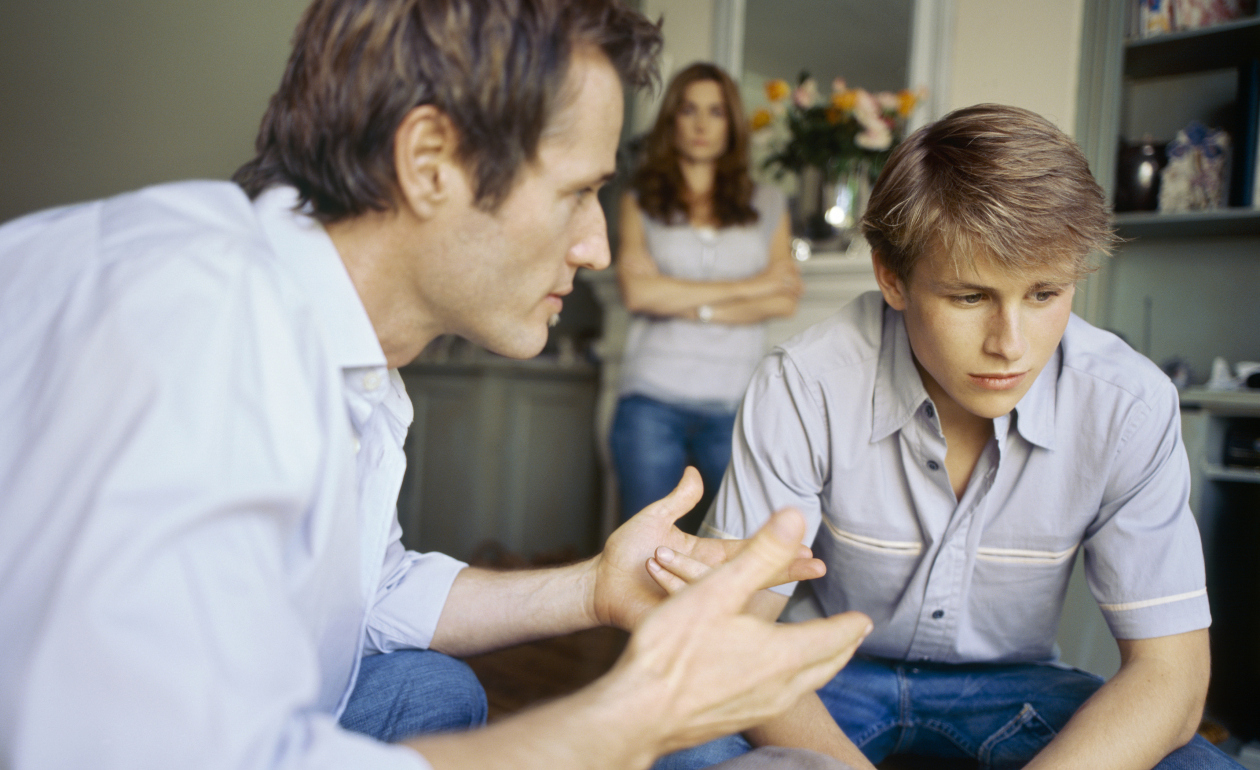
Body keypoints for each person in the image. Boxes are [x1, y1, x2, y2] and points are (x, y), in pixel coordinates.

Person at [0, 2, 877, 768]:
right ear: (429, 161)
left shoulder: (355, 355)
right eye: (578, 192)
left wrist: (596, 588)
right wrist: (636, 714)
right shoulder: (193, 325)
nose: (596, 247)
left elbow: (366, 592)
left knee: (430, 690)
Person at [650, 104, 1245, 770]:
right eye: (969, 297)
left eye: (1045, 294)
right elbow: (733, 632)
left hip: (1016, 692)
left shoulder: (1129, 405)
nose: (1010, 345)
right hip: (820, 676)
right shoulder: (806, 383)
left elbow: (1172, 674)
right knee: (685, 749)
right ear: (891, 278)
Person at [611, 62, 801, 532]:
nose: (700, 124)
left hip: (732, 404)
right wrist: (748, 286)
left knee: (734, 546)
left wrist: (688, 302)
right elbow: (638, 293)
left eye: (715, 111)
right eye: (688, 110)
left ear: (731, 123)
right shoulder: (640, 201)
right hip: (650, 400)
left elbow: (782, 300)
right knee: (644, 549)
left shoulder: (769, 202)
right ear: (671, 119)